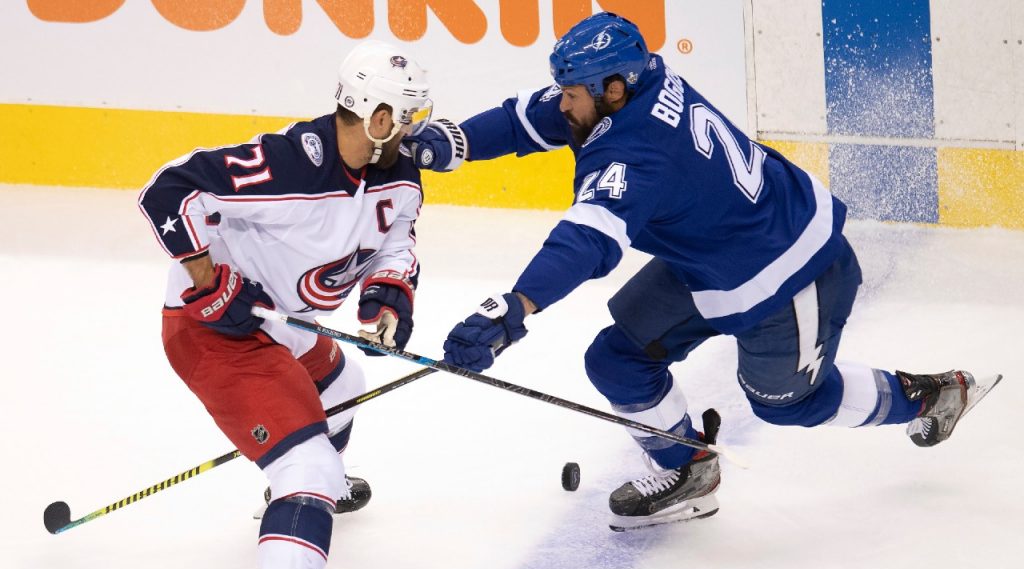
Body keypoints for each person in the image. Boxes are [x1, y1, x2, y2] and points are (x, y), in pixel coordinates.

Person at [405, 12, 994, 532]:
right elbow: (527, 118)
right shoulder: (638, 82)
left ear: (612, 90)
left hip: (790, 274)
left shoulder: (636, 153)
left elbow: (585, 241)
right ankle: (689, 470)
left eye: (573, 93)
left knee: (785, 404)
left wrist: (518, 306)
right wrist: (451, 142)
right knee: (616, 360)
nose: (563, 103)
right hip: (718, 254)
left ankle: (935, 395)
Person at [139, 40, 430, 569]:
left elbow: (396, 244)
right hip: (211, 330)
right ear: (379, 117)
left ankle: (313, 486)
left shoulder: (399, 172)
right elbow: (168, 190)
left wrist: (387, 297)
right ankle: (305, 482)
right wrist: (209, 281)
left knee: (344, 383)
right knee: (308, 468)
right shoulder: (288, 165)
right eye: (410, 118)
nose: (416, 131)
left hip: (273, 320)